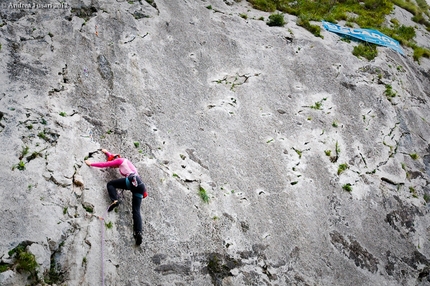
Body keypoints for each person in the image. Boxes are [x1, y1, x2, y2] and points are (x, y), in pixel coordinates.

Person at [85, 149, 147, 245]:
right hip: (140, 186)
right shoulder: (125, 162)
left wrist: (91, 164)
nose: (113, 167)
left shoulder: (120, 160)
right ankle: (138, 232)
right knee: (136, 210)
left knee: (111, 184)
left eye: (113, 164)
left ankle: (115, 200)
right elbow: (112, 158)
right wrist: (106, 152)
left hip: (132, 180)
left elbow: (105, 164)